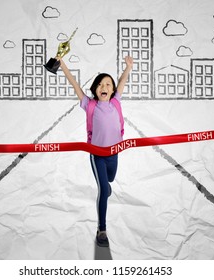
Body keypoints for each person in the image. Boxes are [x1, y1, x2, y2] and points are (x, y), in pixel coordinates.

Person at [59, 56, 134, 247]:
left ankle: (107, 187)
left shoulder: (116, 101)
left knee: (109, 179)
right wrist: (62, 64)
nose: (104, 87)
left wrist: (128, 67)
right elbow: (73, 83)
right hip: (97, 154)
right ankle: (102, 229)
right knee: (102, 189)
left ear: (112, 90)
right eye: (100, 84)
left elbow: (123, 81)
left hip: (114, 152)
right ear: (95, 89)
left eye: (108, 84)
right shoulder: (89, 105)